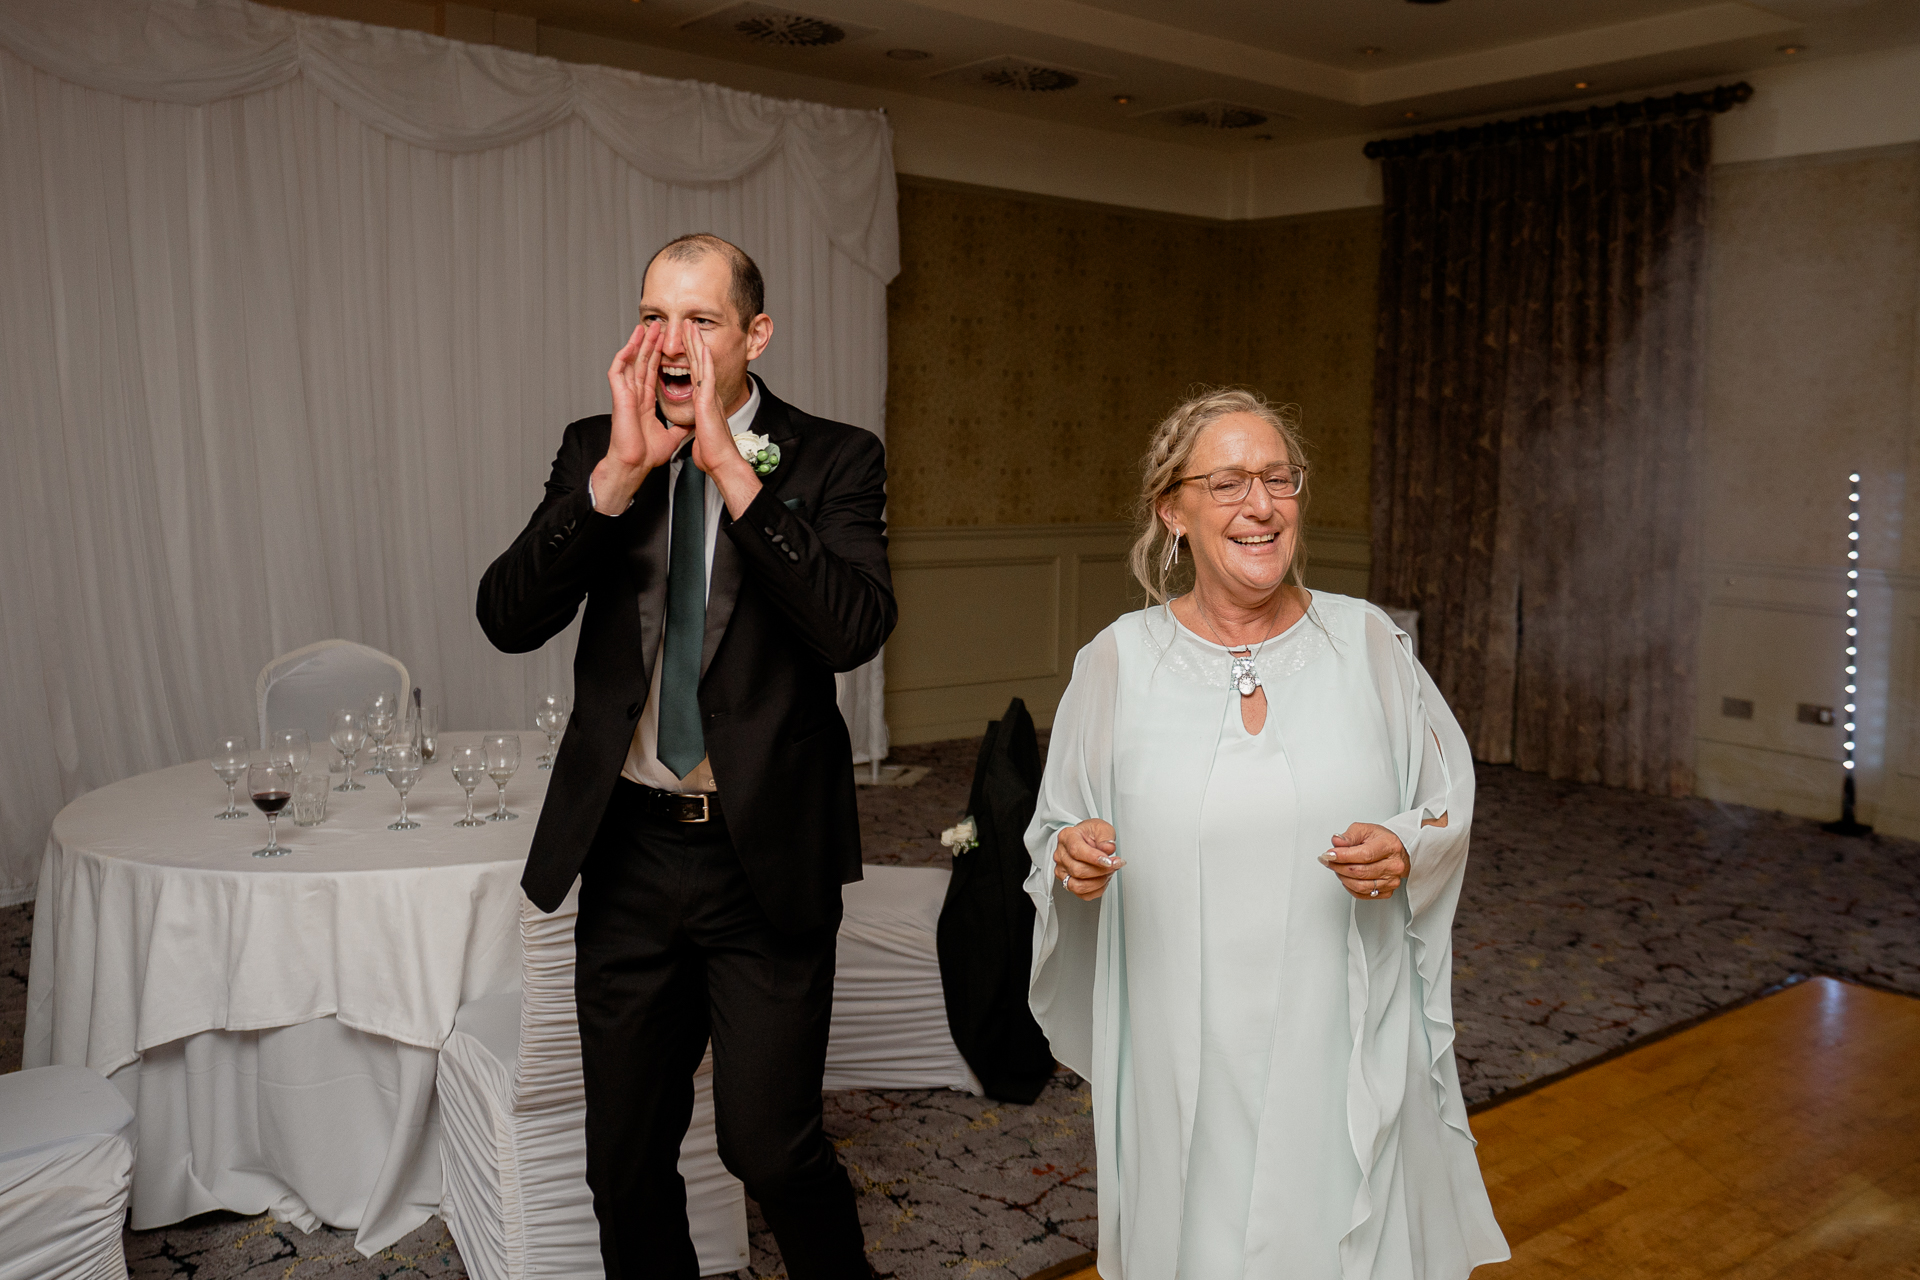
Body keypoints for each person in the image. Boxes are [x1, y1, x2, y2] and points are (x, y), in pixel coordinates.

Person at [477, 233, 893, 1280]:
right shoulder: (595, 445)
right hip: (626, 853)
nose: (672, 342)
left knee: (769, 1144)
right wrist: (616, 478)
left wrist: (722, 466)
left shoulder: (835, 455)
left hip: (764, 856)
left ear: (754, 334)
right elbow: (508, 615)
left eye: (700, 320)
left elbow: (851, 629)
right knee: (621, 1163)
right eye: (654, 315)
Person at [1024, 389, 1510, 1279]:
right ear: (1173, 508)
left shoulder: (1365, 642)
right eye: (1230, 482)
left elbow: (1447, 796)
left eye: (1279, 479)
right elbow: (1056, 825)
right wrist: (1071, 856)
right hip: (1179, 1030)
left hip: (1339, 1016)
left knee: (1330, 1220)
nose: (1261, 505)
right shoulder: (1117, 662)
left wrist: (1407, 845)